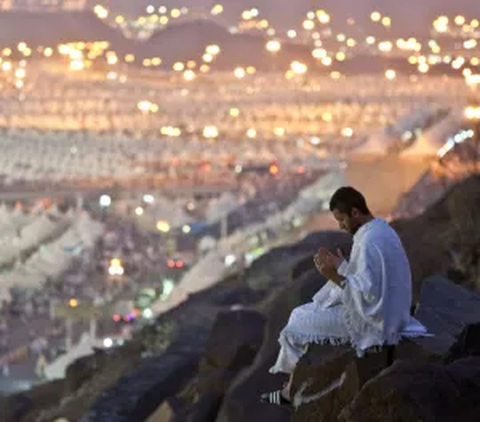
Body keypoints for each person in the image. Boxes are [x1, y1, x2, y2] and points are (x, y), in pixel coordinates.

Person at [261, 187, 428, 407]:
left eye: (342, 220)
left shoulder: (369, 241)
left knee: (298, 320)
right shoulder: (380, 230)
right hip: (390, 310)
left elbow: (368, 296)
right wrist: (341, 266)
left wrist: (332, 274)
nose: (340, 226)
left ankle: (290, 390)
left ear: (355, 213)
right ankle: (291, 386)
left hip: (376, 321)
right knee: (307, 312)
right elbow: (371, 281)